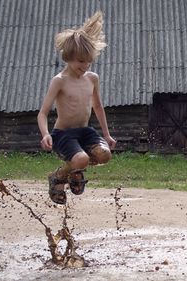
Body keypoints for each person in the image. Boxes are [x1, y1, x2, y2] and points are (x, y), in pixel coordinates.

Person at [37, 11, 116, 205]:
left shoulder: (92, 78)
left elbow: (97, 106)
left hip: (85, 132)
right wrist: (45, 134)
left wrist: (106, 135)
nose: (86, 65)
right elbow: (43, 113)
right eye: (81, 61)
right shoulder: (59, 81)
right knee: (81, 159)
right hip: (63, 134)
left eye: (89, 60)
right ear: (68, 58)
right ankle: (57, 177)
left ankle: (75, 171)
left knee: (105, 155)